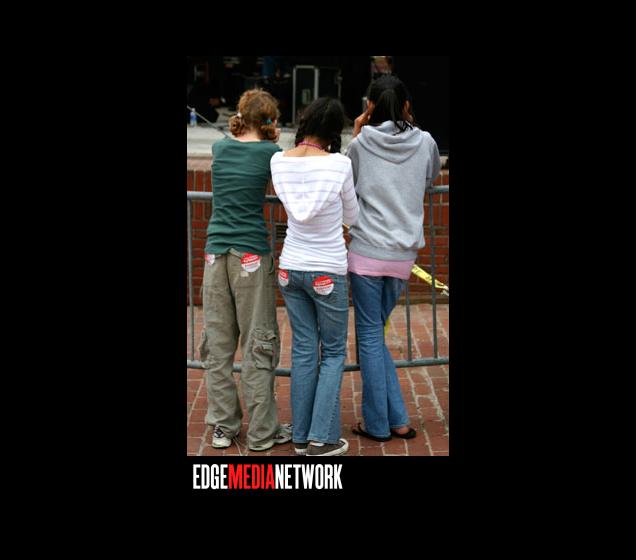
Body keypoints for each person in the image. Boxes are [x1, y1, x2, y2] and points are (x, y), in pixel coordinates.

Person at [345, 75, 440, 442]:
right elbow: (431, 177)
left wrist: (357, 133)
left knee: (370, 337)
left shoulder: (361, 144)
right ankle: (397, 419)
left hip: (366, 252)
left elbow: (347, 182)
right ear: (405, 105)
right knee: (375, 337)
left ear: (369, 107)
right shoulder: (426, 141)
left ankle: (378, 424)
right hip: (402, 255)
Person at [199, 89, 291, 452]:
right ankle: (262, 431)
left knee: (218, 345)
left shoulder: (220, 148)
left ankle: (223, 425)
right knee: (258, 343)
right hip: (250, 253)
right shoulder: (271, 154)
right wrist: (273, 140)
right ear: (270, 120)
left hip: (215, 253)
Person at [270, 97, 359, 456]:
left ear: (304, 122)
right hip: (327, 268)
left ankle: (301, 435)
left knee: (304, 350)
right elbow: (352, 215)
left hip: (290, 266)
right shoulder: (339, 164)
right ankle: (322, 439)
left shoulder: (279, 160)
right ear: (334, 130)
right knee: (334, 352)